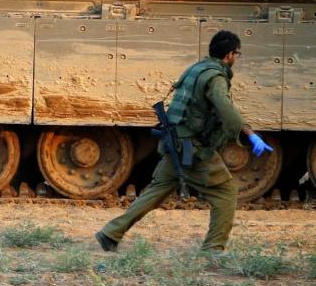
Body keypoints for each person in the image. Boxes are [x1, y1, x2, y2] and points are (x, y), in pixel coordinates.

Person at [95, 30, 274, 253]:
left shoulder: (196, 69)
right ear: (229, 54)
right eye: (237, 54)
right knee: (226, 191)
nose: (236, 58)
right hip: (191, 147)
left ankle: (110, 233)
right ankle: (213, 249)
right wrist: (250, 134)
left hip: (175, 142)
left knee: (157, 191)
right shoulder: (216, 77)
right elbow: (225, 107)